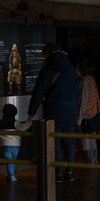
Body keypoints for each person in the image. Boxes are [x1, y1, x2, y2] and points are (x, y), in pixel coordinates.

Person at [27, 41, 79, 181]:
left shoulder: (47, 71)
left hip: (54, 112)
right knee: (69, 144)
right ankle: (69, 172)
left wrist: (30, 115)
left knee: (54, 143)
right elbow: (76, 93)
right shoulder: (71, 70)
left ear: (47, 55)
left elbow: (37, 94)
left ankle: (57, 174)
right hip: (70, 112)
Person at [76, 56, 100, 166]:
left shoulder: (84, 81)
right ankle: (94, 160)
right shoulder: (91, 78)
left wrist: (80, 117)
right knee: (92, 138)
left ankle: (89, 161)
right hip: (94, 110)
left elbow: (83, 100)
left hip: (87, 113)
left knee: (86, 139)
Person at [0, 102, 21, 182]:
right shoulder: (16, 123)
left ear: (3, 113)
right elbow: (23, 127)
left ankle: (11, 175)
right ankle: (11, 175)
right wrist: (29, 120)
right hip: (16, 144)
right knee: (13, 160)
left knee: (9, 160)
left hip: (4, 144)